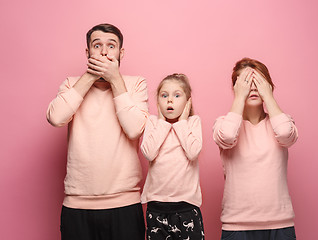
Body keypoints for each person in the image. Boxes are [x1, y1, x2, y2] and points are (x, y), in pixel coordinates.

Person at [46, 23, 148, 240]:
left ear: (121, 53)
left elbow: (134, 129)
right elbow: (55, 118)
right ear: (87, 52)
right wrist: (91, 75)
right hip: (77, 205)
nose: (104, 52)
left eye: (111, 46)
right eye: (97, 46)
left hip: (125, 204)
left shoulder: (136, 84)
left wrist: (115, 79)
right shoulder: (72, 84)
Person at [213, 58, 298, 240]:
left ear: (268, 85)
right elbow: (227, 136)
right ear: (236, 88)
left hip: (280, 224)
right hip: (237, 225)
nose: (252, 88)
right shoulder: (224, 123)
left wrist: (268, 96)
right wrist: (239, 98)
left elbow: (285, 134)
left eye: (257, 82)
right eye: (245, 83)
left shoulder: (281, 121)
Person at [140, 73, 205, 240]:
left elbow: (193, 152)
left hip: (186, 207)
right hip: (156, 207)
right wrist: (162, 123)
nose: (170, 100)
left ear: (187, 101)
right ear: (158, 101)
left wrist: (182, 122)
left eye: (177, 95)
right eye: (164, 95)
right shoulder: (153, 123)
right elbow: (148, 152)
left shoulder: (192, 123)